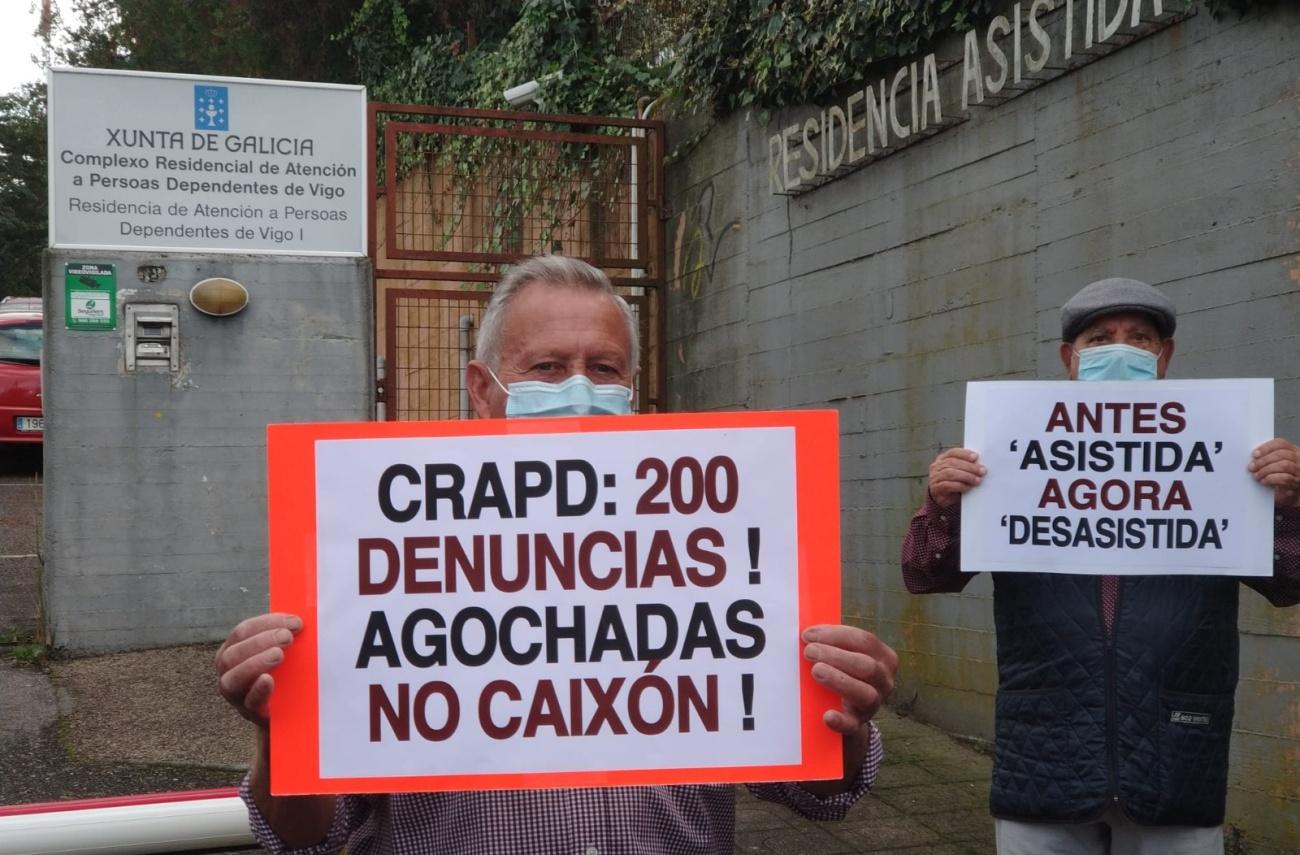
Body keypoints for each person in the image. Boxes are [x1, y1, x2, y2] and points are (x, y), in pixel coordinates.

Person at [219, 255, 899, 855]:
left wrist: (841, 712)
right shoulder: (378, 561)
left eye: (603, 368)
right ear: (482, 391)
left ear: (632, 388)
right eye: (547, 366)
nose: (580, 388)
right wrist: (282, 734)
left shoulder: (717, 546)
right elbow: (307, 834)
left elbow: (821, 793)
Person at [902, 277, 1300, 855]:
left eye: (1140, 338)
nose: (1122, 349)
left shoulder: (1225, 453)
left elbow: (1290, 583)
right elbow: (925, 574)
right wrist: (941, 506)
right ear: (1070, 359)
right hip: (1045, 756)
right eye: (1100, 338)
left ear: (1164, 357)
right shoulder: (1009, 448)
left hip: (1176, 758)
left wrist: (1287, 510)